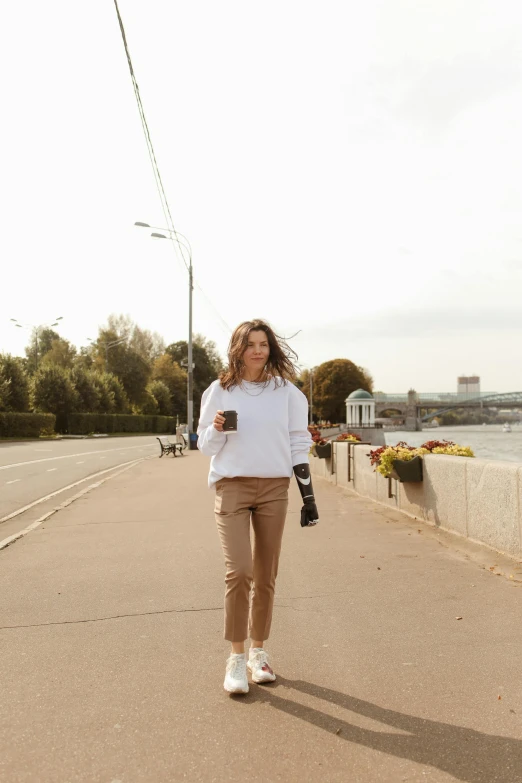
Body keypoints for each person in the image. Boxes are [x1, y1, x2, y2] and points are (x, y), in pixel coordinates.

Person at [197, 319, 320, 695]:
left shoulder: (287, 393)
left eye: (263, 344)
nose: (258, 350)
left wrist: (308, 495)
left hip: (273, 488)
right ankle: (235, 658)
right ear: (238, 348)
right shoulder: (219, 391)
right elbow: (204, 446)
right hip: (232, 486)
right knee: (240, 571)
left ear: (271, 348)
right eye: (250, 344)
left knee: (266, 574)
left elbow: (299, 442)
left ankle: (258, 653)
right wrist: (216, 429)